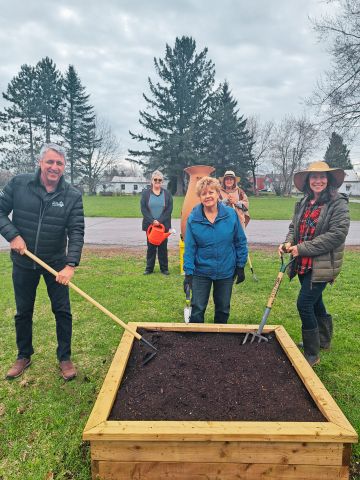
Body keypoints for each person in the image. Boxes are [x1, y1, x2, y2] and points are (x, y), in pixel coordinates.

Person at [0, 143, 85, 381]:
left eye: (59, 163)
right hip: (23, 261)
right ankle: (23, 355)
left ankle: (65, 358)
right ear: (40, 162)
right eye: (50, 162)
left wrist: (70, 266)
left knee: (62, 311)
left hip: (55, 263)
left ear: (64, 166)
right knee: (23, 311)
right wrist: (13, 235)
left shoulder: (72, 196)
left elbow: (76, 231)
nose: (54, 167)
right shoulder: (19, 184)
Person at [278, 161, 350, 367]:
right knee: (316, 301)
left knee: (305, 303)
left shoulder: (338, 203)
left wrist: (302, 248)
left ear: (328, 180)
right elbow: (294, 226)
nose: (318, 181)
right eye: (313, 177)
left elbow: (337, 234)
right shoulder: (304, 202)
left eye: (322, 177)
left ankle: (312, 353)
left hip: (322, 263)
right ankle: (324, 341)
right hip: (303, 263)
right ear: (308, 181)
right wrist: (288, 242)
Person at [183, 176, 248, 324]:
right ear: (200, 197)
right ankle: (196, 341)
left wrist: (240, 265)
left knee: (223, 308)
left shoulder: (231, 215)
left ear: (218, 193)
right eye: (204, 194)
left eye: (211, 192)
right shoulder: (194, 218)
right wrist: (188, 273)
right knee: (197, 308)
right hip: (201, 271)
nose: (208, 196)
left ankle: (219, 340)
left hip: (226, 270)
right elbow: (190, 248)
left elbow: (240, 241)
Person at [140, 170, 173, 275]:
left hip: (163, 225)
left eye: (160, 180)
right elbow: (143, 209)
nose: (157, 181)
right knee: (151, 248)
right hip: (150, 226)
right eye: (155, 179)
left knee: (163, 248)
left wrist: (159, 221)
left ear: (162, 181)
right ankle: (149, 269)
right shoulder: (146, 194)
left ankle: (164, 268)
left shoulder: (167, 194)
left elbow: (169, 210)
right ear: (152, 181)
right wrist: (152, 221)